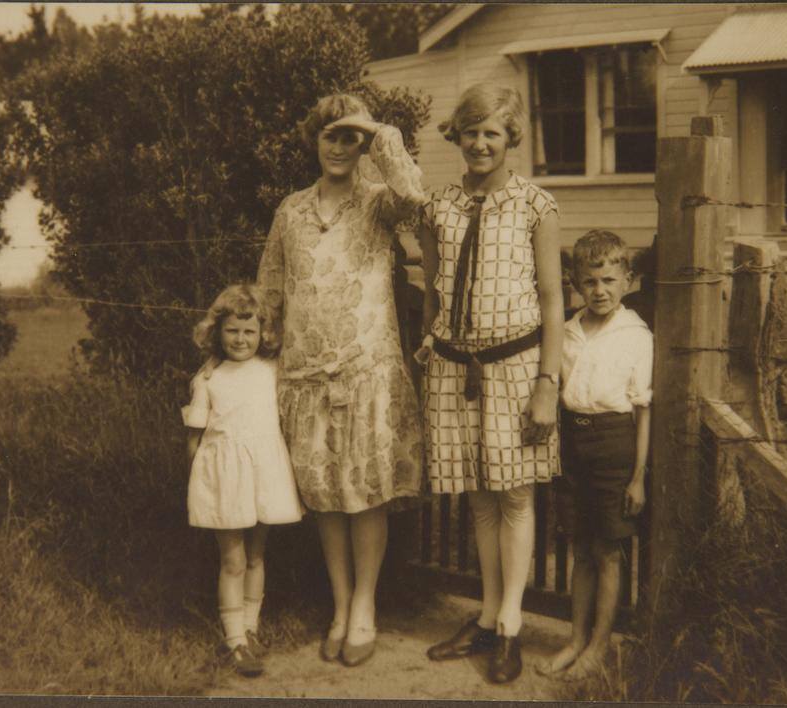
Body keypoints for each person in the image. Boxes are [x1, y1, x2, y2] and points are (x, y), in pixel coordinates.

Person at [257, 93, 424, 667]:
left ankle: (365, 608)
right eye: (330, 134)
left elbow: (416, 197)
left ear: (363, 144)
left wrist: (377, 133)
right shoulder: (290, 210)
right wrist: (262, 355)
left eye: (350, 137)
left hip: (365, 373)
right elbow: (271, 287)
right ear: (315, 139)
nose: (338, 146)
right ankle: (340, 605)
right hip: (304, 377)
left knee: (365, 494)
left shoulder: (379, 202)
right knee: (325, 497)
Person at [416, 84, 564, 683]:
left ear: (511, 139)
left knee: (516, 496)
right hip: (454, 369)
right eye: (471, 132)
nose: (480, 143)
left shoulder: (536, 206)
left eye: (492, 133)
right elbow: (433, 292)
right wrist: (429, 346)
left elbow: (552, 300)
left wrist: (548, 382)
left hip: (517, 368)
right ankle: (484, 617)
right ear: (457, 135)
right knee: (478, 495)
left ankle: (510, 625)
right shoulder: (437, 207)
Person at [535, 229, 652, 680]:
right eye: (590, 282)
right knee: (580, 548)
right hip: (574, 443)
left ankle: (599, 647)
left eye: (608, 280)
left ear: (627, 280)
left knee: (607, 551)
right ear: (575, 284)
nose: (599, 290)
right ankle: (575, 640)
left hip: (614, 443)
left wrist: (637, 476)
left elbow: (643, 409)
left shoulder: (635, 335)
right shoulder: (566, 332)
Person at [183, 284, 304, 678]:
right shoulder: (208, 378)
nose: (240, 339)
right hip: (225, 477)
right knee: (233, 560)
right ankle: (234, 640)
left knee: (256, 556)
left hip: (263, 472)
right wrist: (200, 489)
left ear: (262, 333)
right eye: (232, 330)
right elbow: (194, 438)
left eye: (249, 331)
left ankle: (250, 628)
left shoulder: (272, 372)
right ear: (217, 331)